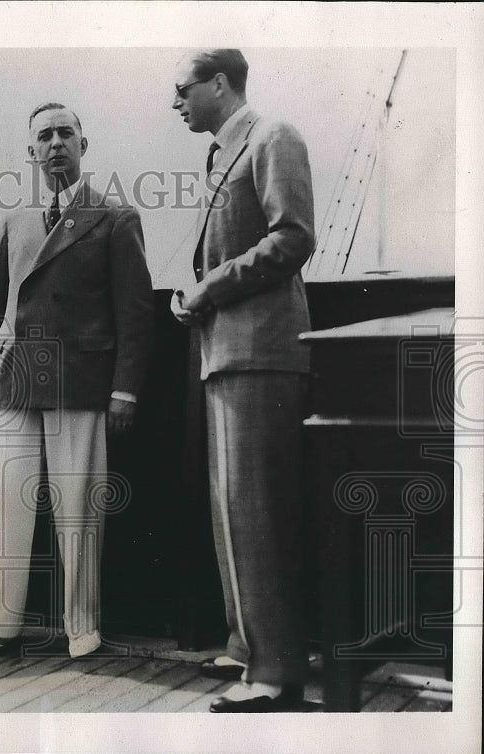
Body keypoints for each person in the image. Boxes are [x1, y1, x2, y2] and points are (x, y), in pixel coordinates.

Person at [0, 103, 155, 660]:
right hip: (15, 380)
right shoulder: (15, 221)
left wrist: (125, 389)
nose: (56, 142)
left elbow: (135, 313)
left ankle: (81, 624)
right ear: (31, 151)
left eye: (67, 133)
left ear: (85, 144)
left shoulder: (115, 217)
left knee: (78, 504)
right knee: (4, 500)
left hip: (82, 381)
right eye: (45, 135)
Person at [170, 49, 314, 712]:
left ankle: (272, 671)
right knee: (234, 508)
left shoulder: (272, 136)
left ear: (219, 85)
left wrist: (208, 288)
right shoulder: (222, 151)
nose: (176, 103)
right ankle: (246, 643)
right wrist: (195, 291)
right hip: (228, 350)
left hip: (258, 351)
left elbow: (293, 237)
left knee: (251, 511)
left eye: (183, 90)